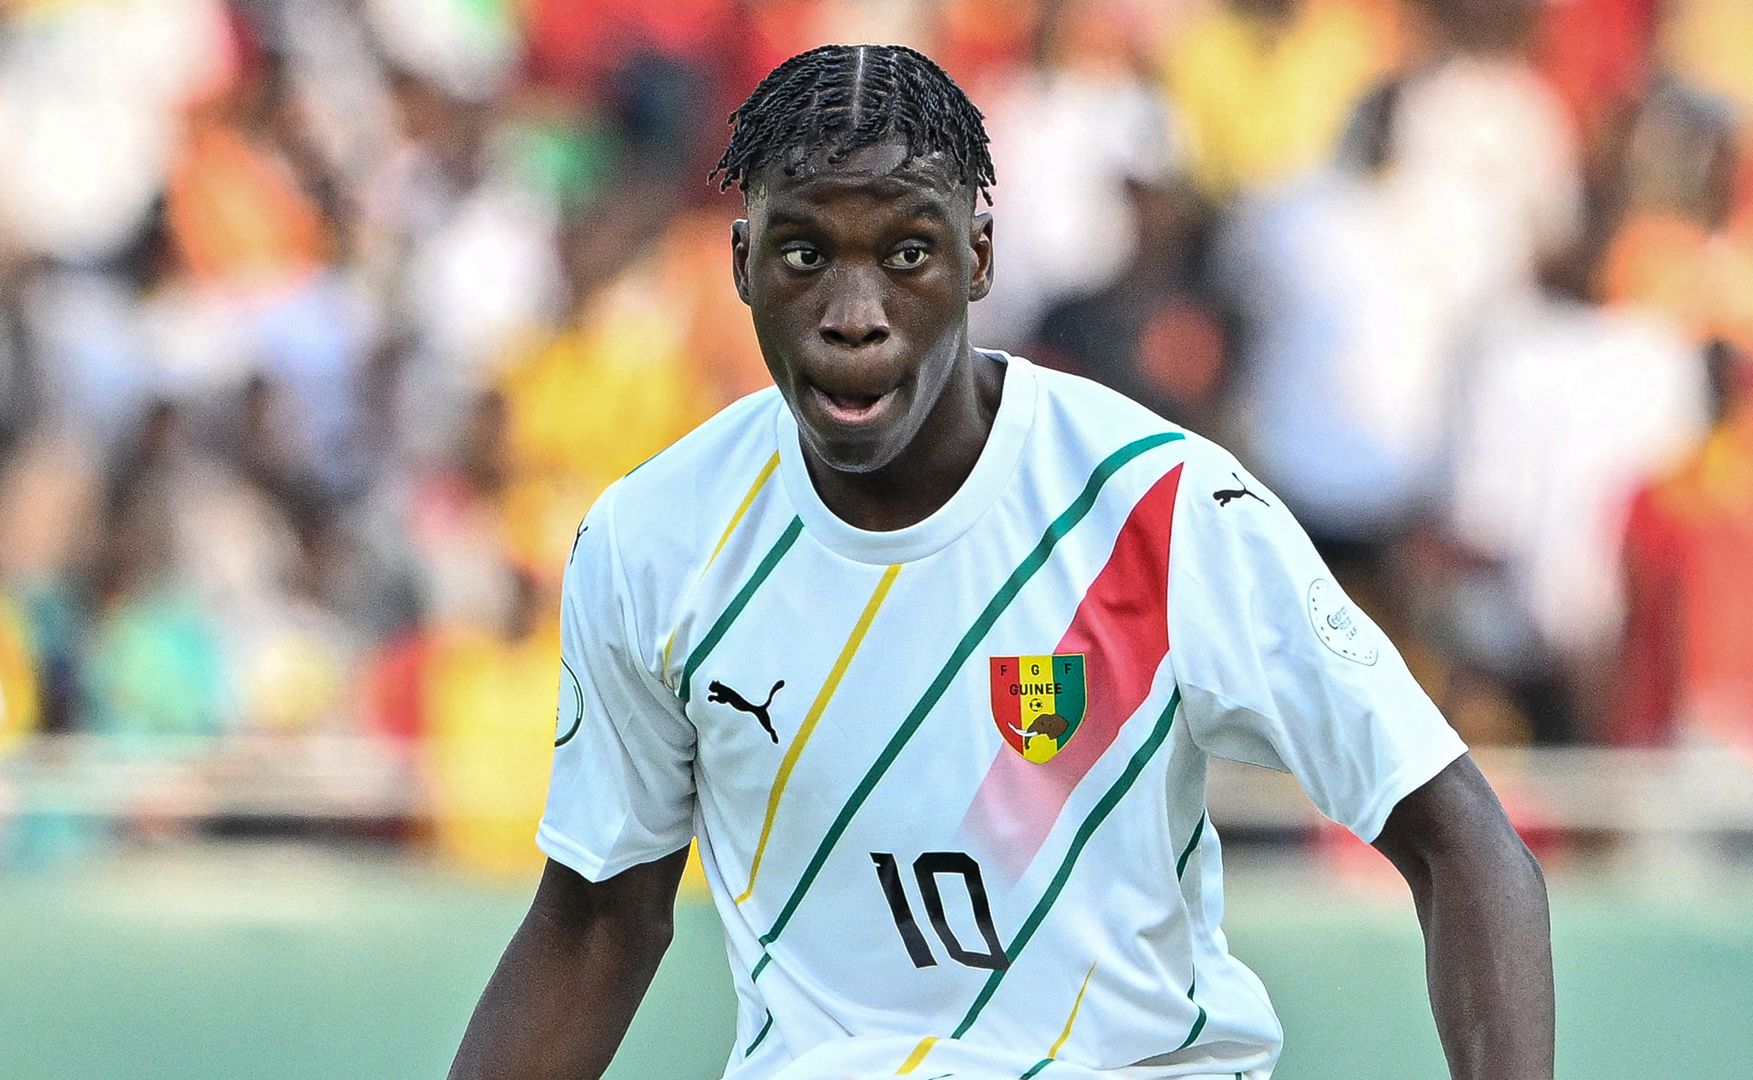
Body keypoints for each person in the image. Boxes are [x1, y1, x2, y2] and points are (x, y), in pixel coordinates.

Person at [450, 44, 1552, 1080]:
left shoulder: (1160, 504)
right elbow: (598, 921)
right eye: (803, 255)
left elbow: (1461, 843)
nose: (853, 315)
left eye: (907, 254)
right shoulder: (653, 538)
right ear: (741, 265)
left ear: (978, 256)